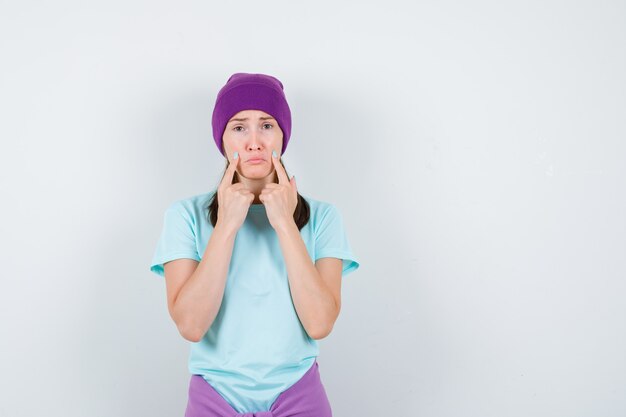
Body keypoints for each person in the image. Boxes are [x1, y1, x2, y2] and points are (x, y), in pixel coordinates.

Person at [150, 72, 360, 417]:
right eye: (238, 127)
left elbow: (320, 323)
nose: (254, 142)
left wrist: (284, 224)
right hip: (214, 399)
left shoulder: (324, 217)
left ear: (282, 135)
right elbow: (190, 325)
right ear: (223, 139)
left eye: (266, 125)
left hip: (299, 397)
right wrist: (227, 225)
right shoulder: (184, 215)